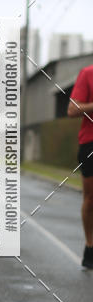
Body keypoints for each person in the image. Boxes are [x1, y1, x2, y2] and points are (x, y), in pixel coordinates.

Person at [67, 64, 93, 270]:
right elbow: (73, 109)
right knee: (91, 198)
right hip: (90, 142)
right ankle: (90, 246)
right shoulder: (88, 73)